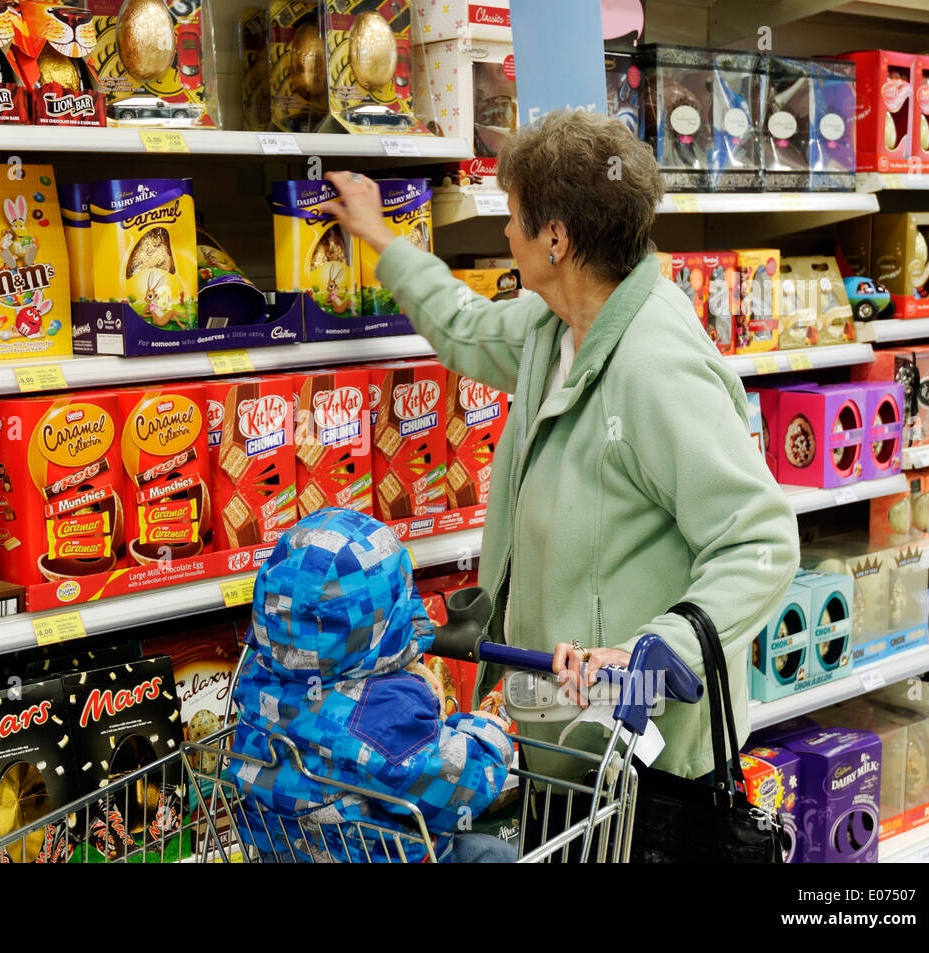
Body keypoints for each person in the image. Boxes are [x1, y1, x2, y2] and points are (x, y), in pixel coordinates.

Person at [323, 109, 800, 783]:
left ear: (555, 238)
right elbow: (464, 328)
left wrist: (659, 647)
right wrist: (379, 236)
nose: (505, 232)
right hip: (564, 738)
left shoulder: (655, 366)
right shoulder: (556, 325)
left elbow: (762, 540)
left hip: (644, 760)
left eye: (513, 215)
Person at [228, 508, 517, 862]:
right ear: (390, 615)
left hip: (284, 850)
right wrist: (488, 733)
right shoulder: (383, 713)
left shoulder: (257, 678)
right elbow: (458, 789)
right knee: (495, 853)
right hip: (374, 854)